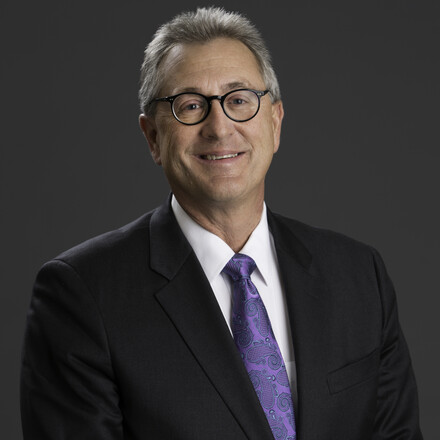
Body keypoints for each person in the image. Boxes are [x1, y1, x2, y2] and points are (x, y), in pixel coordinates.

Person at [20, 7, 423, 440]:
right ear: (153, 137)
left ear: (275, 123)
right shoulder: (83, 294)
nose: (219, 127)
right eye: (190, 105)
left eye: (239, 100)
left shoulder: (358, 276)